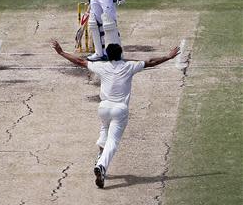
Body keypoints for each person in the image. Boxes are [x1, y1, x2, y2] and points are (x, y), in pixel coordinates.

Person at [51, 40, 179, 188]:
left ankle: (100, 158)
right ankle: (101, 166)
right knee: (112, 141)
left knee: (104, 130)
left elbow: (79, 61)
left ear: (107, 56)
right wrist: (168, 57)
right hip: (120, 109)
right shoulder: (129, 66)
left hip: (104, 108)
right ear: (121, 55)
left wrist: (61, 52)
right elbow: (151, 62)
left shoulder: (102, 66)